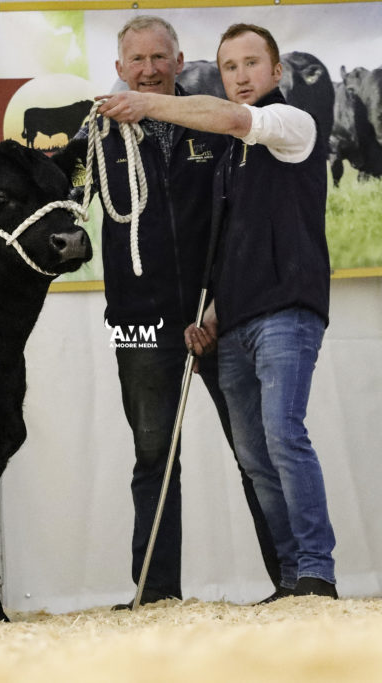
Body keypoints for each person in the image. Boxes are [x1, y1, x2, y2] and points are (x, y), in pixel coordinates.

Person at [97, 23, 337, 600]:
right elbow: (228, 238)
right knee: (224, 454)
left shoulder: (271, 125)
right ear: (120, 63)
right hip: (188, 321)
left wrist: (145, 105)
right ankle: (178, 593)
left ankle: (311, 576)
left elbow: (234, 123)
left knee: (276, 440)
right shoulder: (107, 137)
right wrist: (211, 310)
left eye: (252, 64)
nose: (149, 67)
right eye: (231, 67)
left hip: (269, 313)